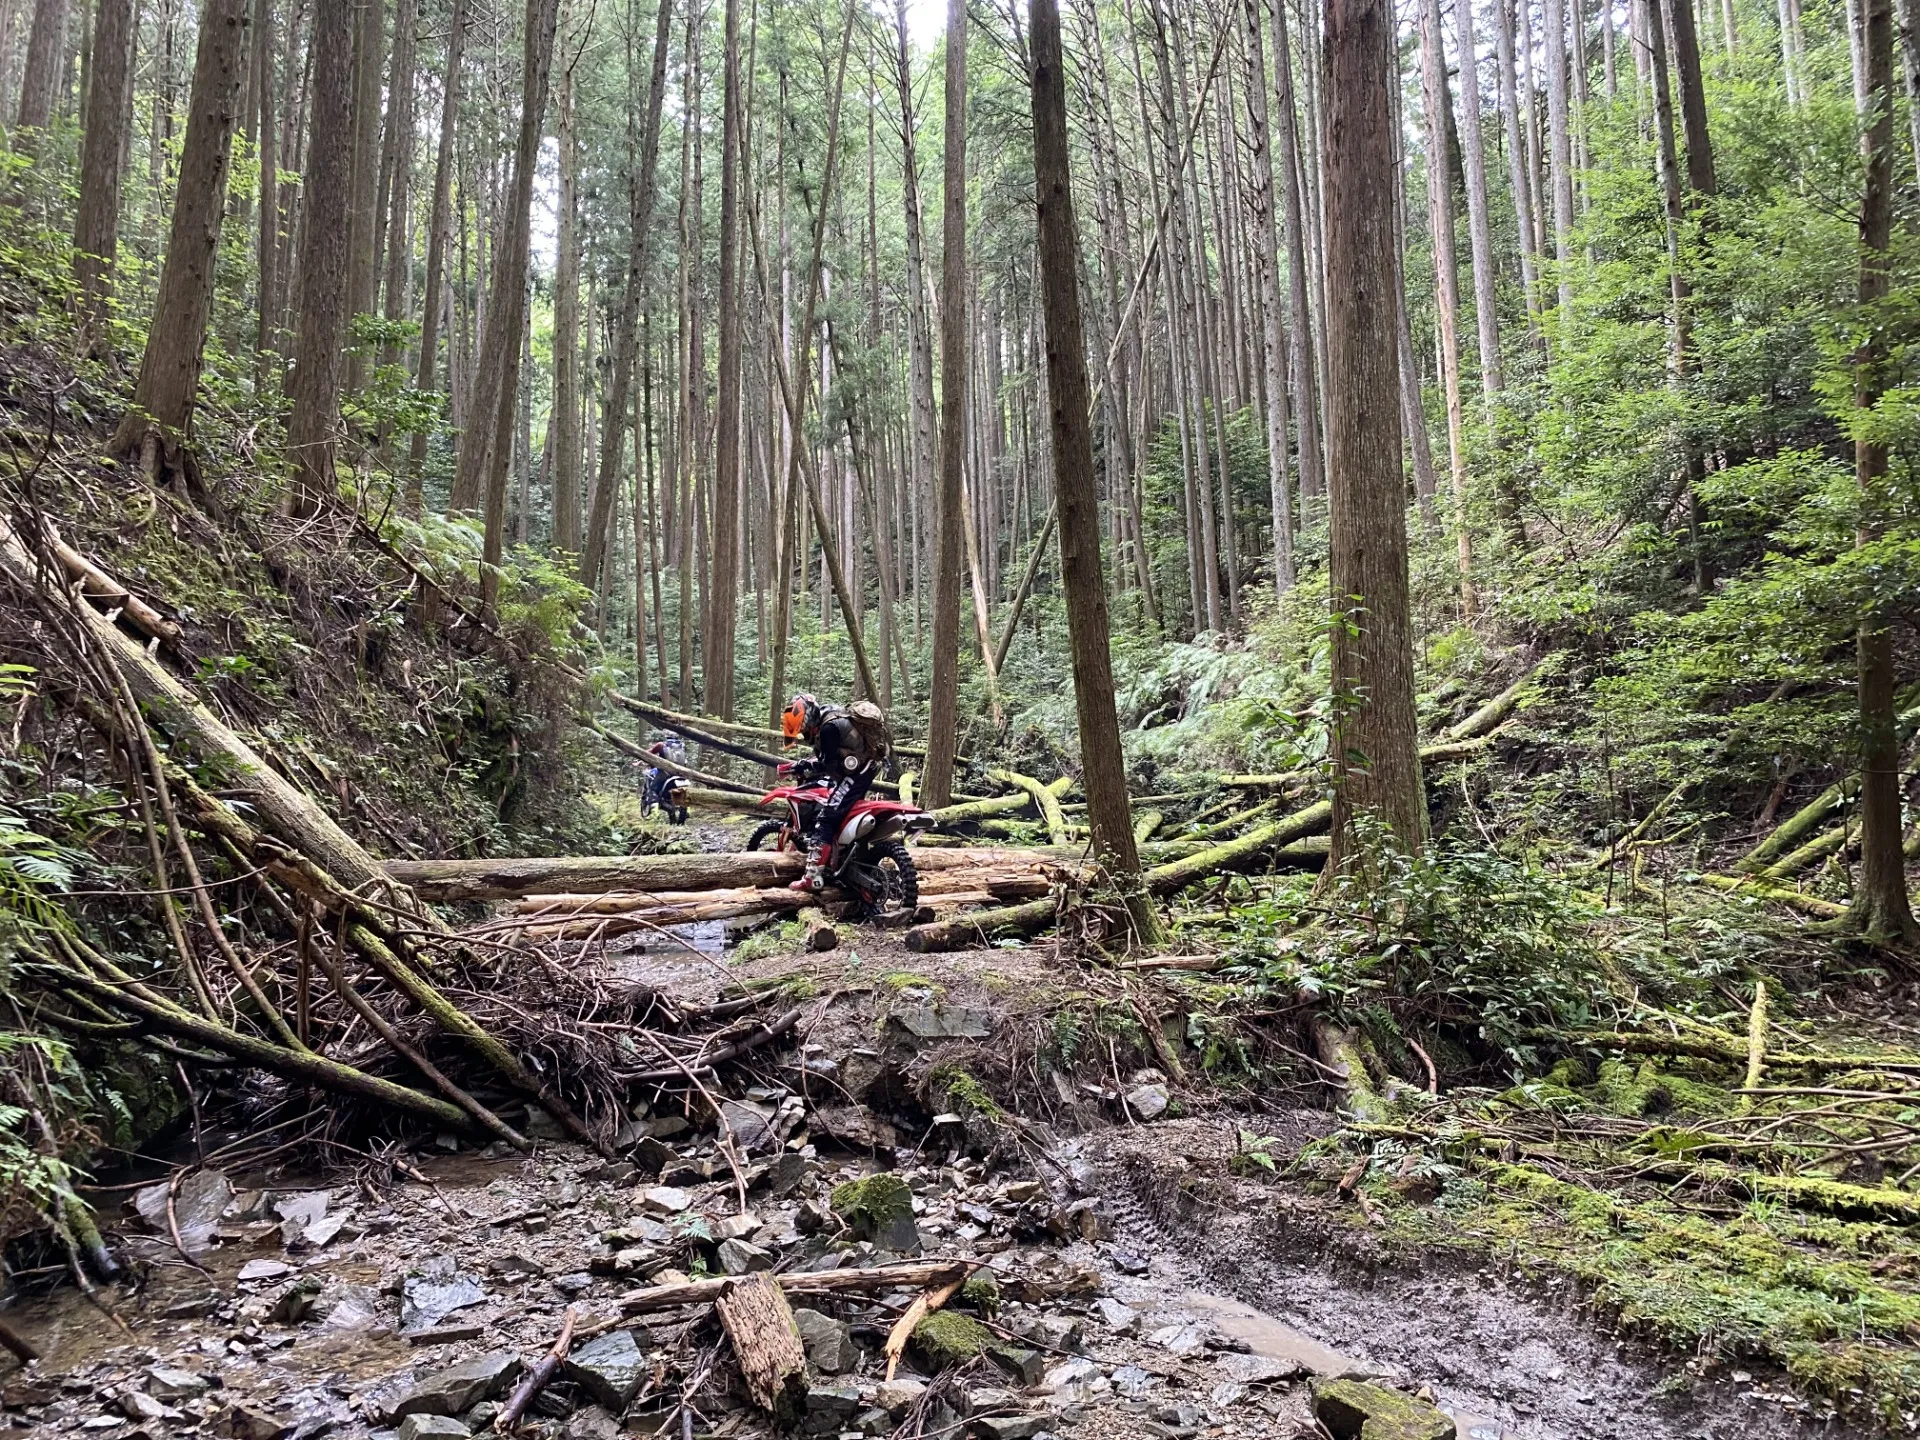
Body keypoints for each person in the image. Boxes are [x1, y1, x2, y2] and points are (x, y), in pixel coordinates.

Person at [782, 692, 882, 892]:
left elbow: (828, 764)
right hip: (862, 767)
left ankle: (812, 877)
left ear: (809, 718)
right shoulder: (829, 716)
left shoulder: (828, 728)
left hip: (858, 771)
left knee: (827, 818)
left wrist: (804, 766)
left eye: (802, 726)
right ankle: (847, 862)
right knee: (843, 813)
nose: (802, 731)